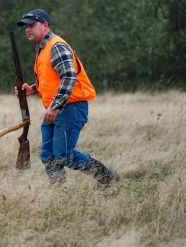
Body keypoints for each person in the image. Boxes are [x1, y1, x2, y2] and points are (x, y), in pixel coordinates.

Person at [15, 8, 119, 187]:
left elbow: (69, 77)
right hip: (55, 108)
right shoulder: (43, 48)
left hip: (70, 107)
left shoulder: (56, 46)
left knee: (64, 155)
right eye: (26, 26)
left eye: (32, 25)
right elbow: (53, 80)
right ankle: (60, 194)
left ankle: (106, 176)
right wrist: (33, 89)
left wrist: (54, 106)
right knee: (48, 155)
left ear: (45, 26)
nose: (27, 29)